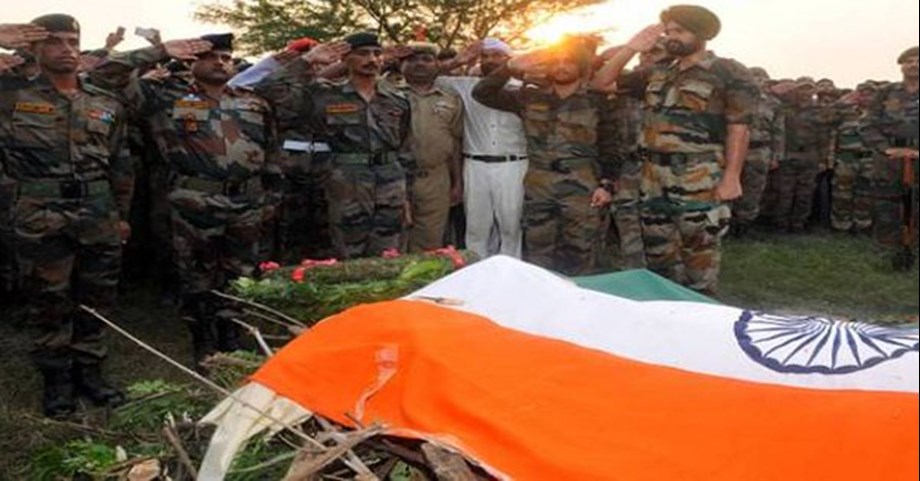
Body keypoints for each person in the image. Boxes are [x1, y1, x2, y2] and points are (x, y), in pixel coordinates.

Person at [92, 33, 283, 367]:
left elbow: (271, 151)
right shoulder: (163, 97)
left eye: (226, 58)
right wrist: (159, 51)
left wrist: (271, 197)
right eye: (211, 57)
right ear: (191, 62)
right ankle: (203, 339)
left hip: (247, 202)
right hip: (195, 199)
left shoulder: (253, 101)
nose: (220, 63)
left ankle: (233, 334)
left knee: (240, 273)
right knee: (197, 273)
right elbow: (103, 75)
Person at [0, 15, 133, 417]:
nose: (67, 49)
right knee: (48, 299)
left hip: (98, 211)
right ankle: (57, 380)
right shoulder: (9, 94)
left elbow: (120, 162)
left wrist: (122, 215)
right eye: (55, 41)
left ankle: (91, 372)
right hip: (39, 213)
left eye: (73, 41)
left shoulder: (105, 101)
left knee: (97, 296)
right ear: (33, 48)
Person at [594, 5, 758, 294]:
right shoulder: (656, 71)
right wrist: (631, 48)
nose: (671, 37)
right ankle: (666, 310)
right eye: (668, 31)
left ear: (702, 34)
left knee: (699, 257)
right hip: (652, 179)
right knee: (658, 258)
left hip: (699, 177)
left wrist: (732, 177)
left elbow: (739, 127)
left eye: (679, 31)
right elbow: (601, 82)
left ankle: (702, 313)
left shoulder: (727, 72)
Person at [253, 33, 414, 259]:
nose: (372, 59)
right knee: (347, 250)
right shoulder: (325, 95)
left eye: (377, 54)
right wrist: (307, 60)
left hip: (390, 182)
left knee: (390, 251)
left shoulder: (397, 99)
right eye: (363, 54)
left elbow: (405, 149)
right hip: (346, 182)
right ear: (345, 59)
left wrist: (407, 196)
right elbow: (268, 89)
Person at [473, 37, 615, 275]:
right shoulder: (530, 97)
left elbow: (610, 144)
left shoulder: (596, 100)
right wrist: (510, 66)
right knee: (538, 253)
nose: (561, 66)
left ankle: (577, 295)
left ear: (580, 65)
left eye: (568, 61)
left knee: (580, 251)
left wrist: (607, 185)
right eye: (555, 61)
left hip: (581, 187)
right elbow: (482, 93)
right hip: (539, 186)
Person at [438, 38, 529, 259]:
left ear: (509, 59)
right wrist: (459, 60)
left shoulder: (524, 89)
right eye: (485, 56)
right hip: (476, 165)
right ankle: (477, 270)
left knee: (511, 228)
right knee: (476, 228)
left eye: (496, 55)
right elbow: (432, 77)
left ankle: (509, 273)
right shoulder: (465, 85)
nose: (490, 60)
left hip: (513, 165)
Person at [399, 43, 464, 252]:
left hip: (436, 179)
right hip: (394, 179)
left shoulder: (451, 98)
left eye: (426, 59)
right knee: (394, 241)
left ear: (437, 64)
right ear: (402, 65)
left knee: (430, 242)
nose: (419, 64)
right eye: (412, 59)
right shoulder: (386, 93)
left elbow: (455, 142)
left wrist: (457, 182)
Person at [862, 46, 919, 269]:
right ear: (901, 66)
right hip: (889, 159)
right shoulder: (885, 92)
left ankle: (913, 248)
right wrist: (885, 149)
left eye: (918, 61)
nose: (914, 65)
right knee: (886, 203)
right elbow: (868, 124)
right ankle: (886, 250)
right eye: (909, 61)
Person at [731, 67, 785, 237]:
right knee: (730, 183)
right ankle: (726, 223)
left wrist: (776, 156)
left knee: (753, 189)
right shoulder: (734, 98)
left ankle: (744, 224)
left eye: (762, 79)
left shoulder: (774, 104)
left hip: (760, 150)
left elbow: (778, 131)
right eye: (754, 77)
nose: (758, 81)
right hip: (735, 149)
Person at [830, 81, 878, 233]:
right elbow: (825, 116)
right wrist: (841, 103)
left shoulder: (880, 115)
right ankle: (841, 225)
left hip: (869, 159)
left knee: (865, 193)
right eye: (862, 94)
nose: (866, 97)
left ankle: (863, 224)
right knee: (842, 193)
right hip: (847, 159)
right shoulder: (845, 113)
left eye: (870, 94)